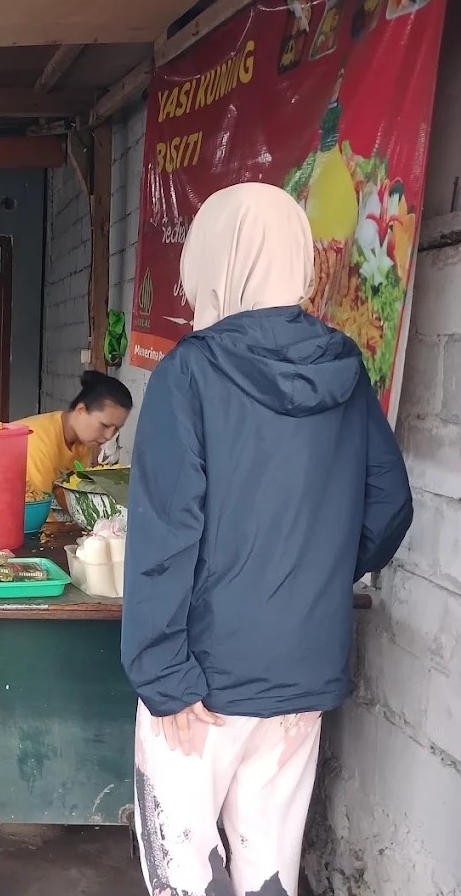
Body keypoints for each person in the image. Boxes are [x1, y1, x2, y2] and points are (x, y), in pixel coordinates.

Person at [121, 182, 412, 896]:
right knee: (267, 870)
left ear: (211, 259)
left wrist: (161, 674)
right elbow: (390, 505)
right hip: (302, 664)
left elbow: (166, 535)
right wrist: (308, 581)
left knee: (183, 875)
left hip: (199, 678)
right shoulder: (343, 366)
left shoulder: (189, 371)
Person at [20, 371, 133, 493]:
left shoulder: (84, 443)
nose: (108, 436)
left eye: (116, 429)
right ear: (81, 410)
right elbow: (38, 506)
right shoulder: (38, 441)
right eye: (104, 425)